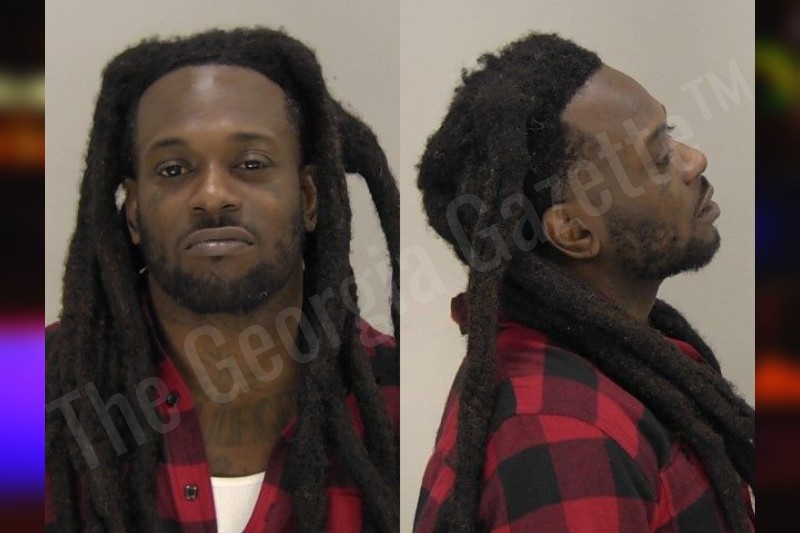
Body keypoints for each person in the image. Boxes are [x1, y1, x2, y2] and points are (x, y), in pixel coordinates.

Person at [45, 27, 399, 532]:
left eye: (251, 164)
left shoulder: (393, 398)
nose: (212, 195)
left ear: (309, 198)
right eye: (173, 170)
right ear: (135, 211)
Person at [413, 33, 754, 532]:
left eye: (670, 133)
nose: (693, 159)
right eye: (659, 157)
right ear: (573, 231)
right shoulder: (563, 431)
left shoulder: (626, 355)